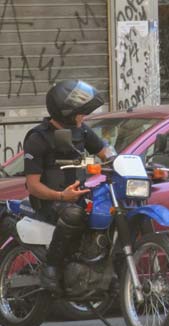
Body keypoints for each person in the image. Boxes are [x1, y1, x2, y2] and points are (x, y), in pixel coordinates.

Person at [24, 80, 111, 292]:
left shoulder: (82, 131)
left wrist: (125, 162)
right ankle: (51, 267)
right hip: (50, 201)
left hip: (79, 197)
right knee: (73, 214)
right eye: (81, 112)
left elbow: (106, 154)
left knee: (111, 212)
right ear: (67, 113)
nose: (85, 116)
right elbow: (33, 185)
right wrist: (61, 196)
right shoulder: (38, 138)